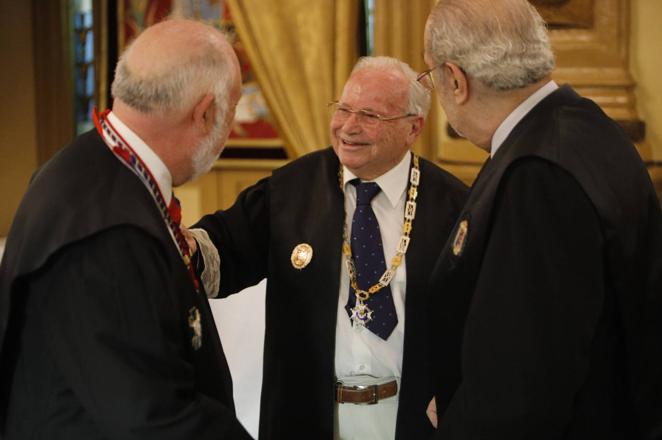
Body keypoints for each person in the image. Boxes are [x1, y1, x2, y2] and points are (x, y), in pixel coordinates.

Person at [189, 56, 468, 439]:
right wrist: (168, 244)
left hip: (414, 419)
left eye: (370, 115)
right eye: (344, 109)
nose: (349, 127)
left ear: (412, 128)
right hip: (309, 417)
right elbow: (220, 250)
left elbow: (480, 319)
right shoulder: (290, 190)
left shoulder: (455, 206)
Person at [0, 19, 252, 439]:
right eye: (232, 110)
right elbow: (152, 418)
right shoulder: (110, 233)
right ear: (205, 113)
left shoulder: (87, 166)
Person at [421, 0, 662, 438]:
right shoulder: (586, 124)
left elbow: (519, 390)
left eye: (431, 75)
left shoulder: (536, 176)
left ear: (455, 80)